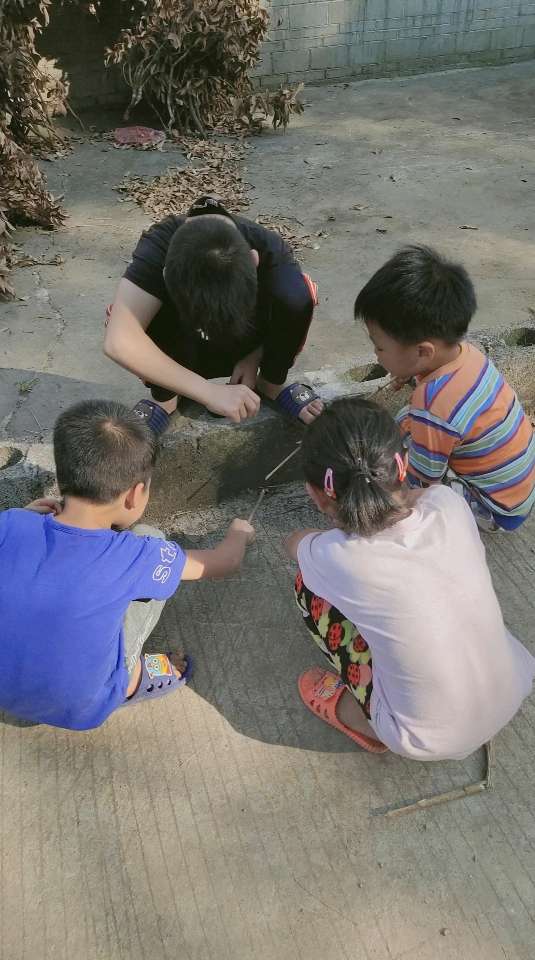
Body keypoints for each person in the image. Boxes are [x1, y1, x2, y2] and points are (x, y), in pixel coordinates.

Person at [284, 397, 535, 759]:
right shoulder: (448, 504)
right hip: (514, 684)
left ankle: (362, 719)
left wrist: (332, 525)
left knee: (307, 588)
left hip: (426, 739)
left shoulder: (332, 555)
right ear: (402, 468)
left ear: (316, 494)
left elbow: (292, 544)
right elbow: (417, 497)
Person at [0, 399, 254, 730]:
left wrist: (26, 513)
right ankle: (131, 680)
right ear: (134, 495)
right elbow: (224, 563)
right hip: (82, 707)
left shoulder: (11, 523)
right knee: (154, 536)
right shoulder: (140, 555)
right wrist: (239, 533)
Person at [104, 195, 323, 433]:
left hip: (245, 339)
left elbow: (291, 309)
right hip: (181, 347)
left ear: (254, 259)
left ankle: (271, 383)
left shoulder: (269, 249)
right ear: (166, 275)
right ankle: (166, 396)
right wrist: (208, 392)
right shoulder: (158, 249)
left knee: (299, 297)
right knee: (124, 314)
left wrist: (257, 355)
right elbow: (119, 342)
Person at [354, 245, 535, 532]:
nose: (377, 355)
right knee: (405, 421)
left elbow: (424, 483)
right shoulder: (467, 353)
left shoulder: (434, 406)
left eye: (379, 346)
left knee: (389, 471)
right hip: (517, 486)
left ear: (423, 352)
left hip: (494, 509)